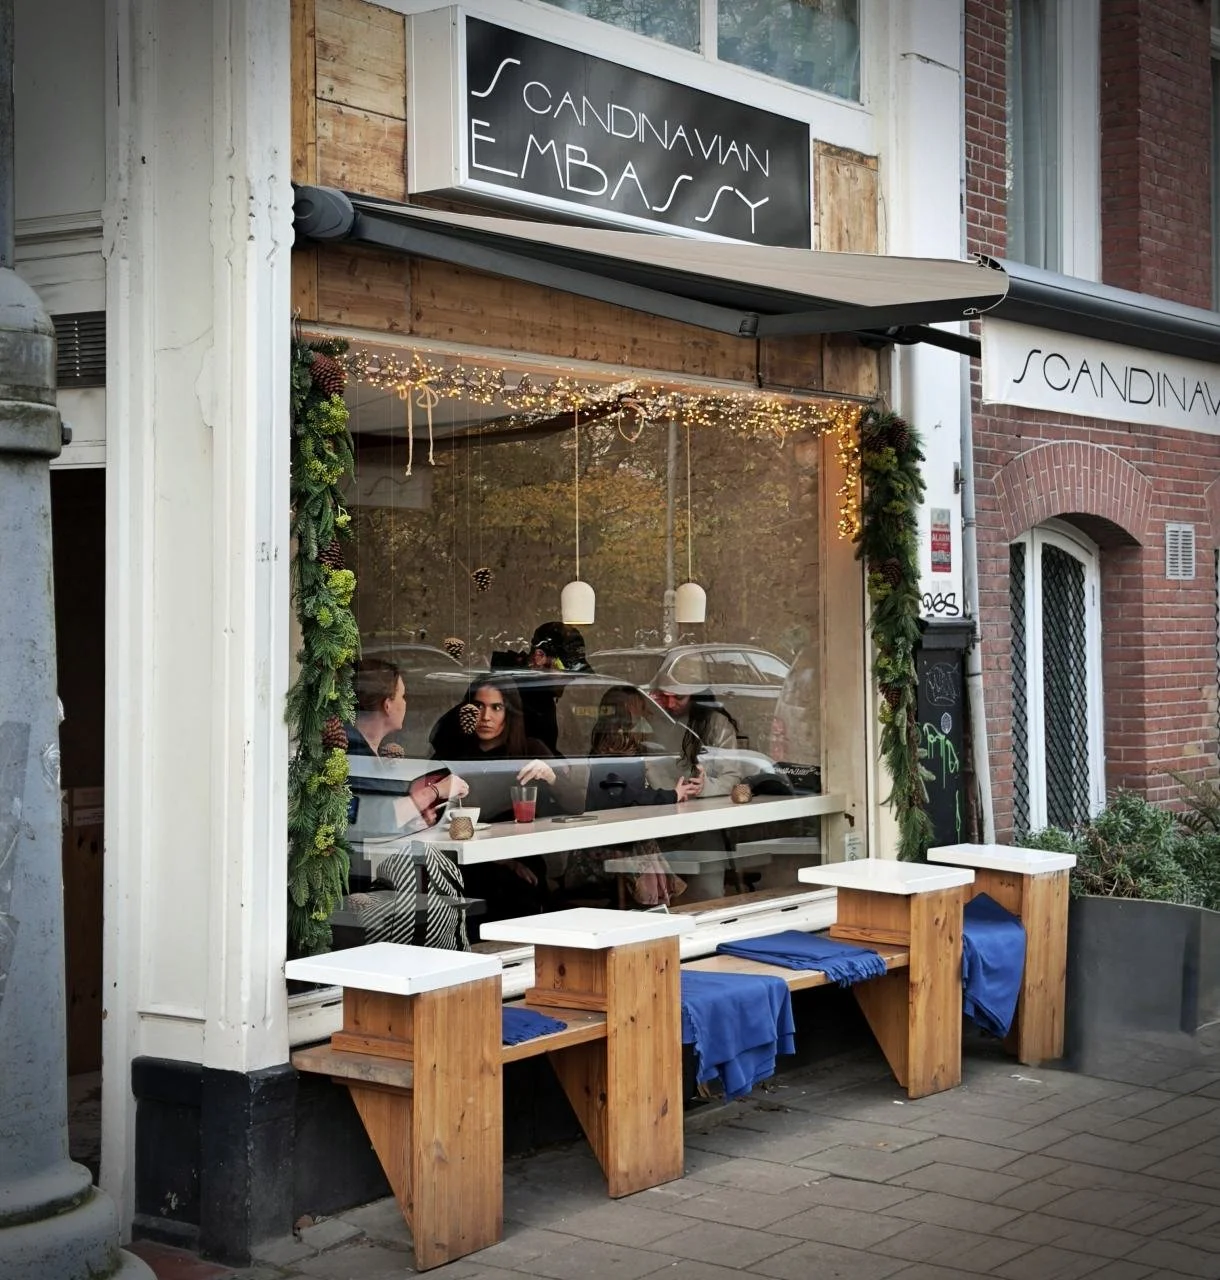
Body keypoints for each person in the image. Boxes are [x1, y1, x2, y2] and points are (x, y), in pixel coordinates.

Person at [430, 674, 583, 930]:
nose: (486, 716)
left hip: (521, 863)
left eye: (496, 707)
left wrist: (552, 775)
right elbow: (432, 818)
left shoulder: (529, 750)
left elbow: (578, 804)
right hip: (467, 865)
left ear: (509, 712)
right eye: (478, 706)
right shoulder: (453, 754)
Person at [562, 686, 697, 907]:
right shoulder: (627, 755)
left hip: (595, 841)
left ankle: (663, 890)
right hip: (613, 848)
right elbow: (636, 796)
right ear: (630, 715)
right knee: (646, 843)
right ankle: (660, 895)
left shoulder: (600, 751)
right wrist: (673, 794)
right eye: (642, 712)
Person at [346, 658, 469, 837]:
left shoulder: (365, 751)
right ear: (387, 705)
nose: (405, 703)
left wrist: (410, 819)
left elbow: (382, 818)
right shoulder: (352, 751)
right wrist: (436, 791)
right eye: (402, 696)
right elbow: (369, 816)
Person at [489, 621, 593, 751]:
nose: (571, 678)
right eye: (565, 670)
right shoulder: (505, 694)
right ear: (539, 657)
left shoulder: (540, 694)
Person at [650, 672, 745, 798]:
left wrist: (706, 787)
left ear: (695, 696)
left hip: (704, 807)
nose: (671, 704)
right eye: (665, 697)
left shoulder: (717, 724)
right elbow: (649, 766)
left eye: (679, 697)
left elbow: (732, 778)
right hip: (664, 804)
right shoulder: (655, 719)